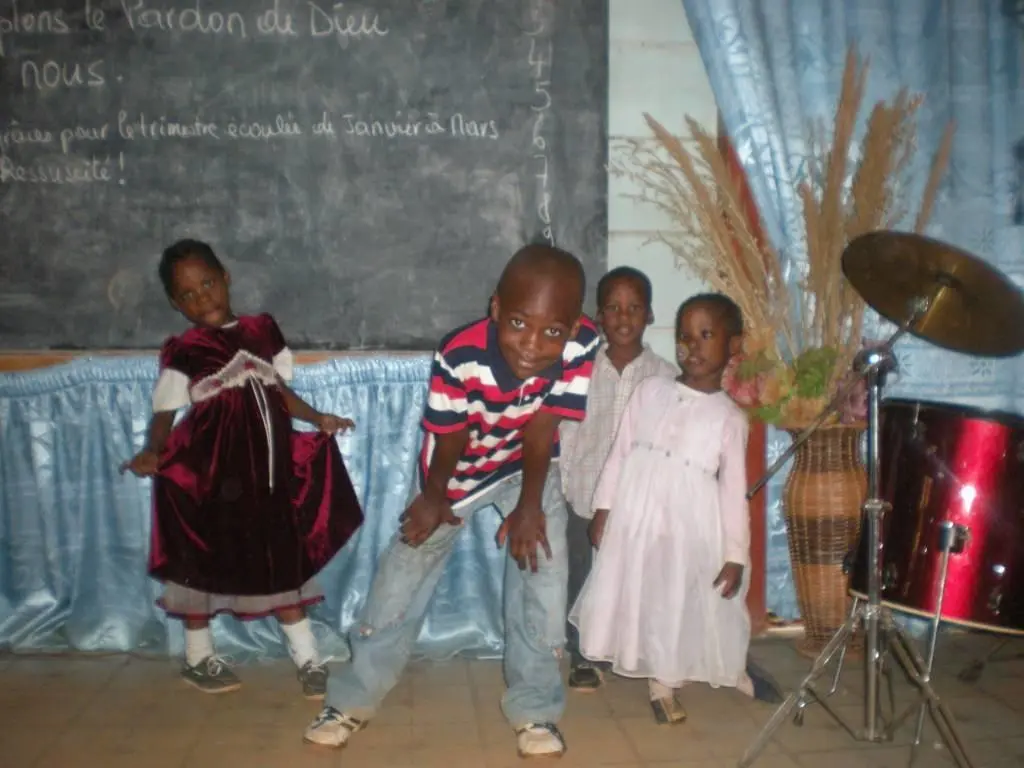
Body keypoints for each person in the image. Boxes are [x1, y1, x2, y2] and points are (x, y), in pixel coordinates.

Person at [304, 244, 600, 759]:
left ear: (573, 327)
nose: (532, 345)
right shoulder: (459, 354)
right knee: (400, 577)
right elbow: (452, 434)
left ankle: (535, 710)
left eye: (553, 331)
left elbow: (542, 426)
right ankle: (350, 701)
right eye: (518, 323)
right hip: (455, 473)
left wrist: (530, 507)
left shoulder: (583, 344)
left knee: (543, 578)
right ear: (495, 308)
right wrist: (434, 498)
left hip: (527, 468)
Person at [121, 239, 364, 699]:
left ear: (225, 277)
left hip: (267, 481)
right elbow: (165, 415)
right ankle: (198, 659)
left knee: (279, 564)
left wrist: (318, 418)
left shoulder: (262, 330)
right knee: (202, 565)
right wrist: (152, 451)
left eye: (208, 283)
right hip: (210, 480)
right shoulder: (185, 351)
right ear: (176, 304)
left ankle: (309, 658)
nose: (202, 298)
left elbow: (280, 395)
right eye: (188, 294)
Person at [569, 292, 755, 724]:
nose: (692, 346)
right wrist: (604, 508)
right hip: (638, 516)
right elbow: (620, 453)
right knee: (641, 590)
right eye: (684, 336)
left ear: (733, 345)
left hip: (689, 523)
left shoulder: (730, 418)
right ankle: (647, 663)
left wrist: (735, 555)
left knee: (679, 597)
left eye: (706, 335)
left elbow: (733, 492)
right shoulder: (650, 390)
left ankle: (672, 679)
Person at [558, 266, 676, 692]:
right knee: (582, 576)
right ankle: (583, 654)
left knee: (633, 579)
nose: (623, 317)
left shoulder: (666, 376)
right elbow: (568, 431)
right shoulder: (581, 372)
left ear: (650, 315)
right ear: (599, 316)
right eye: (613, 308)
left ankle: (631, 649)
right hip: (584, 494)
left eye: (634, 308)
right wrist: (565, 486)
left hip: (639, 501)